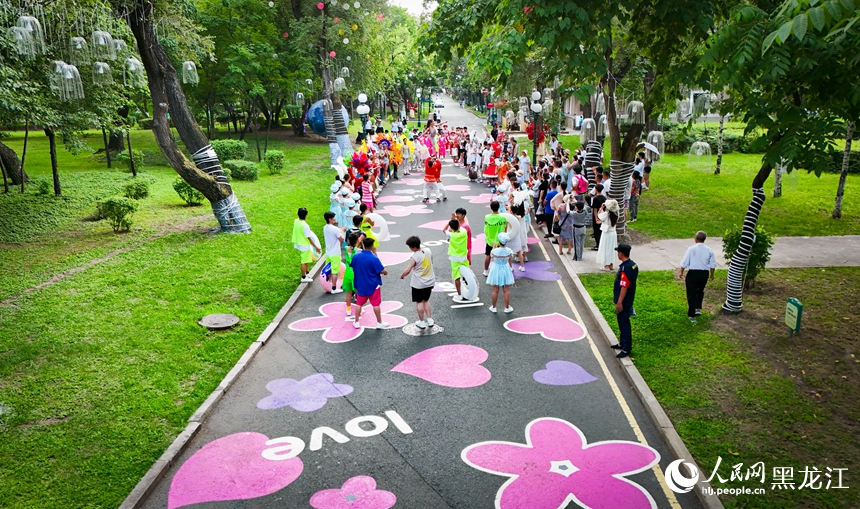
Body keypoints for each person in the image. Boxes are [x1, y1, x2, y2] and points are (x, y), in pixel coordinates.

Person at [350, 237, 389, 329]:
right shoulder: (374, 258)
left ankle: (356, 321)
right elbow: (382, 270)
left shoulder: (356, 256)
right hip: (373, 285)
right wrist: (385, 272)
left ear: (362, 245)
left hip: (360, 284)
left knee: (359, 304)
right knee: (375, 304)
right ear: (372, 246)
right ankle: (379, 322)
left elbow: (352, 265)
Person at [679, 231, 717, 323]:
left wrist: (681, 272)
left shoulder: (691, 249)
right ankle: (697, 308)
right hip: (704, 274)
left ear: (695, 239)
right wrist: (712, 275)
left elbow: (685, 262)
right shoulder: (709, 250)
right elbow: (712, 265)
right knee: (700, 290)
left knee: (691, 293)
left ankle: (692, 315)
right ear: (704, 239)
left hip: (693, 273)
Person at [400, 235, 436, 329]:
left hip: (418, 284)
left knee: (419, 302)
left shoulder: (414, 257)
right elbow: (431, 262)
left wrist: (402, 275)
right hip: (430, 281)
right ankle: (430, 319)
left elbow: (408, 270)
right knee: (426, 301)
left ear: (412, 247)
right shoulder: (428, 250)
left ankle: (421, 322)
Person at [610, 244, 637, 358]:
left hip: (624, 301)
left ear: (621, 253)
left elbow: (624, 286)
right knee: (621, 321)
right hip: (629, 299)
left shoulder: (625, 268)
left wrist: (620, 302)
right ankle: (622, 343)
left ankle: (626, 348)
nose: (617, 254)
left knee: (624, 322)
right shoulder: (633, 265)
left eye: (618, 252)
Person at [487, 232, 515, 313]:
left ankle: (494, 307)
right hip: (505, 269)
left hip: (496, 269)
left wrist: (493, 248)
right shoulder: (509, 250)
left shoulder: (494, 251)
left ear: (499, 241)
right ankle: (506, 307)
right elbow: (510, 258)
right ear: (506, 242)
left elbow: (491, 256)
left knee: (495, 290)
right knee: (506, 290)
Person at [293, 207, 321, 283]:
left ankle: (307, 273)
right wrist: (316, 247)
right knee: (304, 261)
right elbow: (309, 237)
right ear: (306, 215)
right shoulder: (305, 226)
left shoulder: (296, 221)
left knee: (306, 259)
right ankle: (303, 277)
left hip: (299, 242)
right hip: (304, 244)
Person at [447, 219, 471, 301]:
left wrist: (449, 222)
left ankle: (459, 294)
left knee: (456, 277)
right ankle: (470, 288)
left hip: (454, 258)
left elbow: (444, 230)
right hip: (463, 256)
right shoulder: (464, 231)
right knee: (466, 273)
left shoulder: (451, 235)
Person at [483, 201, 507, 277]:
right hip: (500, 241)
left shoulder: (487, 217)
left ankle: (486, 271)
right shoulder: (503, 218)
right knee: (500, 257)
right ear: (499, 207)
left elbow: (485, 229)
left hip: (490, 240)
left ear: (490, 208)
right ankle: (499, 272)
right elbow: (505, 229)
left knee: (488, 256)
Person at [323, 211, 345, 294]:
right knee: (335, 271)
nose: (335, 219)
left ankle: (329, 285)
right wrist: (342, 231)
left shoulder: (325, 227)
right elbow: (341, 239)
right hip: (335, 252)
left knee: (328, 270)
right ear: (330, 219)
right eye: (333, 217)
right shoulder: (335, 229)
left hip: (328, 252)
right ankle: (334, 288)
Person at [596, 199, 619, 270]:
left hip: (606, 233)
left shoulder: (606, 214)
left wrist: (601, 208)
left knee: (605, 248)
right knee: (612, 249)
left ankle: (606, 265)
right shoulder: (617, 213)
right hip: (613, 233)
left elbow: (598, 216)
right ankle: (611, 264)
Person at [342, 232, 361, 316]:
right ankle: (358, 309)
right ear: (357, 241)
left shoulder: (346, 248)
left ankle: (348, 309)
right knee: (358, 292)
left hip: (347, 273)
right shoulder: (358, 251)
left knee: (348, 293)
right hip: (356, 273)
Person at [589, 184, 606, 251]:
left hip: (597, 216)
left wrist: (596, 217)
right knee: (601, 230)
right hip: (603, 215)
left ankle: (598, 245)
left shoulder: (595, 198)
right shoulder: (604, 198)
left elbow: (595, 209)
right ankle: (601, 244)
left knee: (596, 231)